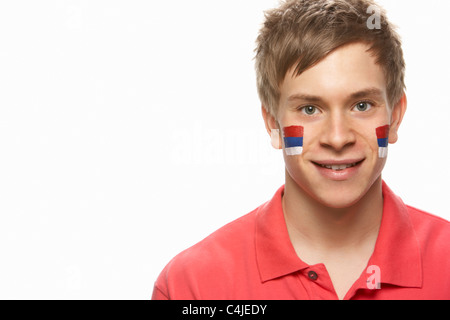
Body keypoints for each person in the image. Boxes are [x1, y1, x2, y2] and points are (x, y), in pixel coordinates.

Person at [152, 0, 450, 300]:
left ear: (395, 117)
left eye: (362, 105)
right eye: (309, 109)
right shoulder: (193, 286)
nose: (337, 138)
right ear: (273, 124)